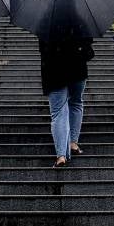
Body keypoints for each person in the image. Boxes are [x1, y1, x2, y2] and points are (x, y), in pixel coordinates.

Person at [38, 35, 94, 168]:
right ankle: (73, 143)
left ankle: (61, 155)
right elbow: (88, 47)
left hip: (54, 71)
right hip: (77, 67)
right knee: (76, 103)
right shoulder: (79, 20)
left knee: (58, 112)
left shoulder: (46, 23)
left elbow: (43, 49)